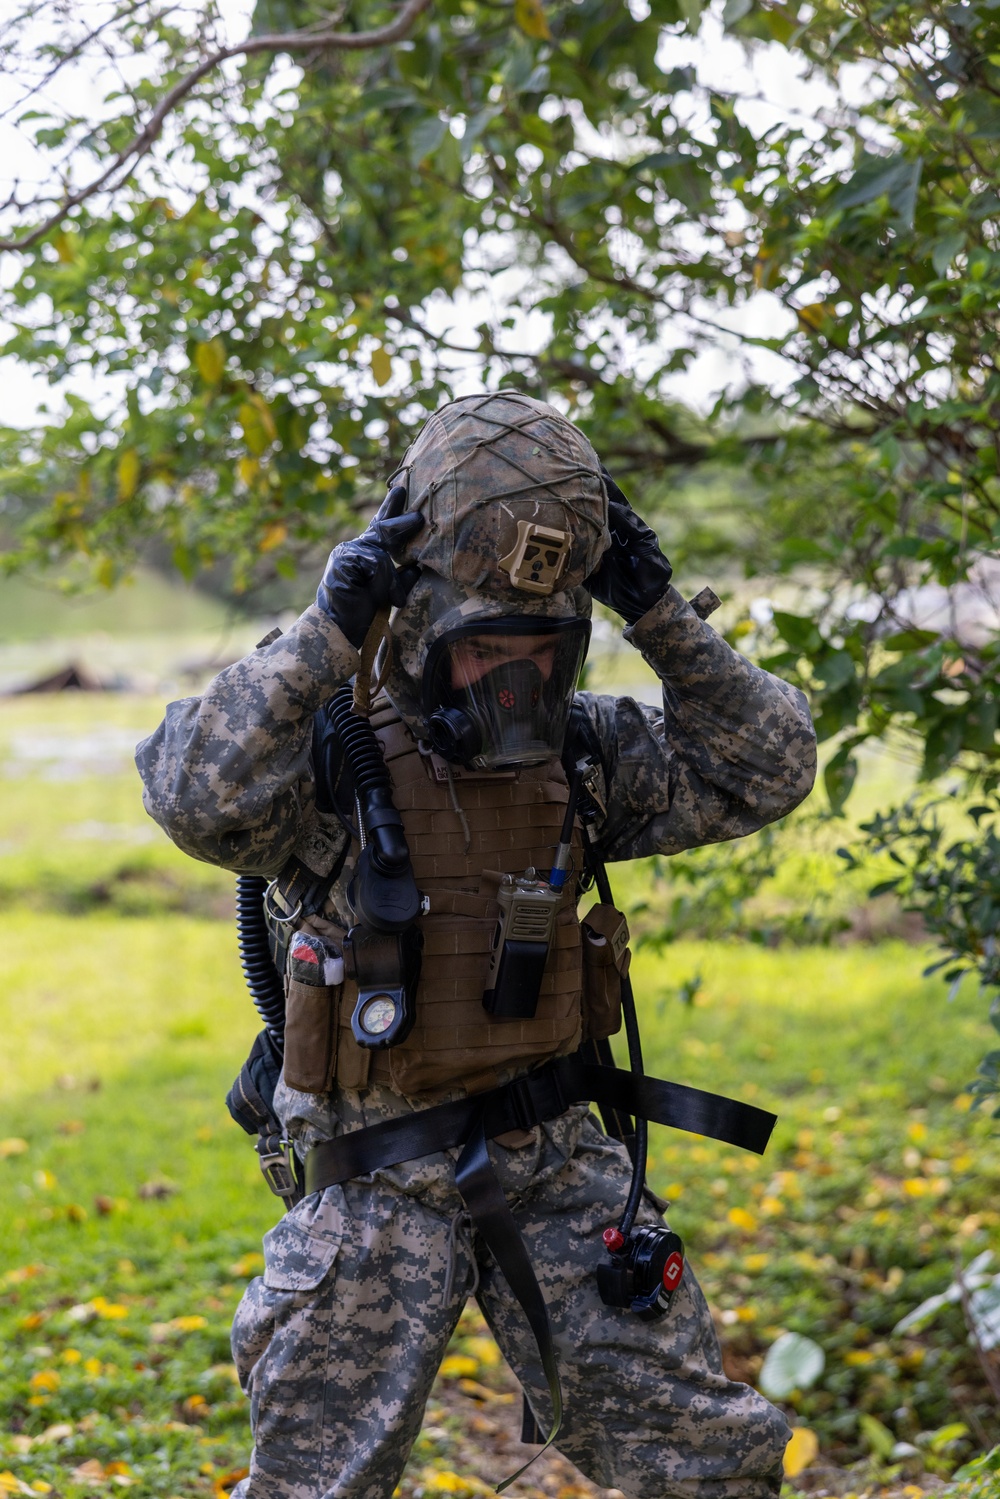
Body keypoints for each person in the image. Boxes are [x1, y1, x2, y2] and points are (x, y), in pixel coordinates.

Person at [136, 392, 816, 1499]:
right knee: (317, 1483)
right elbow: (193, 793)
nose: (512, 682)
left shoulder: (583, 753)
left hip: (556, 1156)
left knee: (705, 1462)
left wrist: (661, 614)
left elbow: (768, 765)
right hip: (374, 1185)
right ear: (415, 619)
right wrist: (324, 630)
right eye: (481, 650)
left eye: (539, 652)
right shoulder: (330, 757)